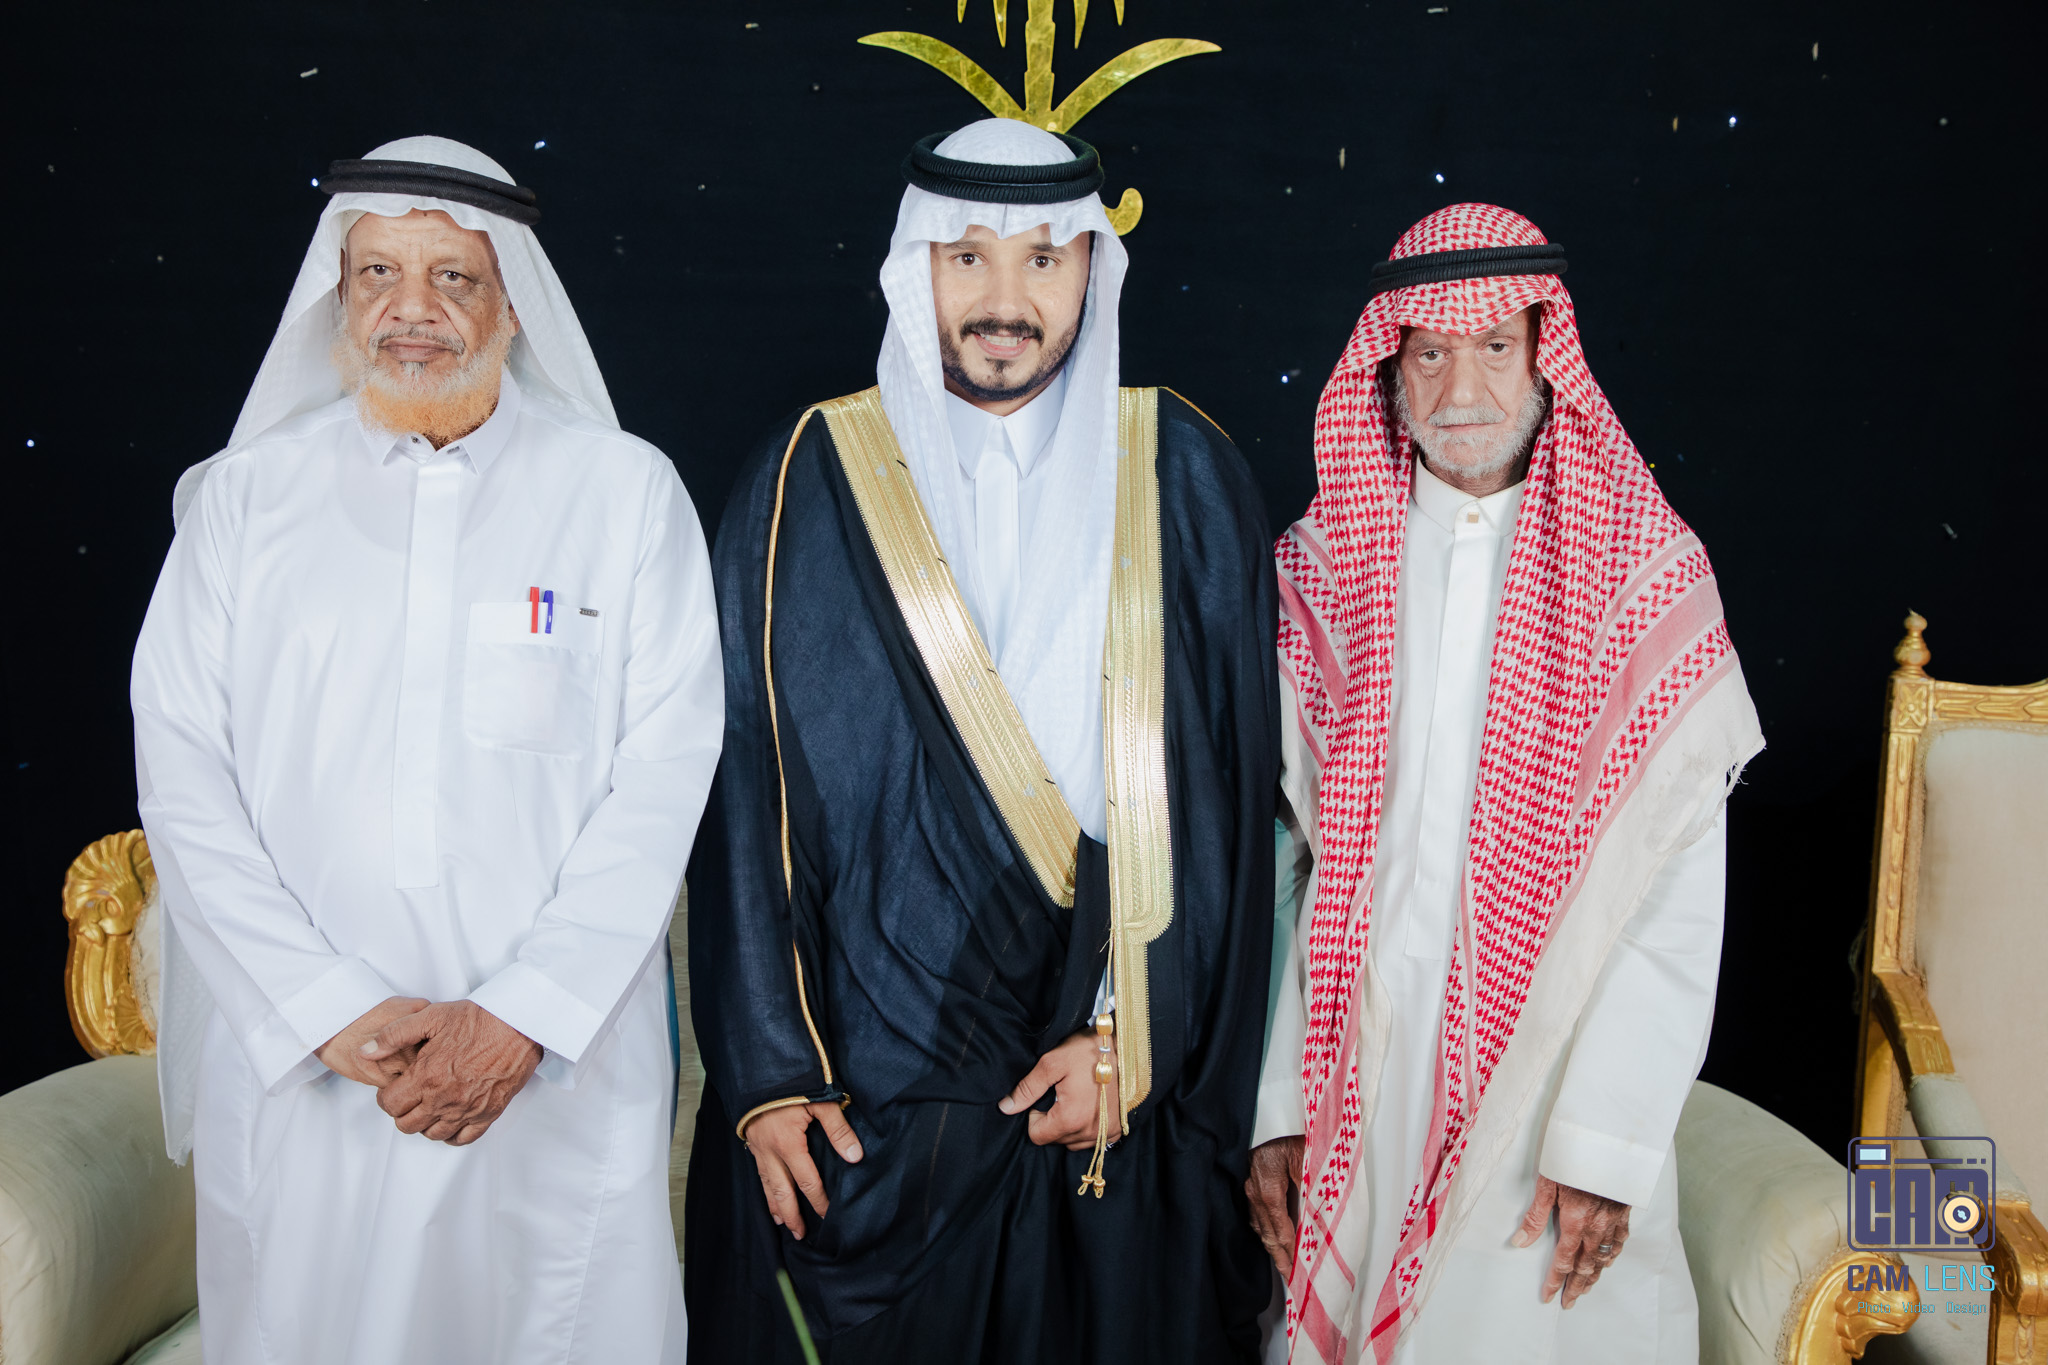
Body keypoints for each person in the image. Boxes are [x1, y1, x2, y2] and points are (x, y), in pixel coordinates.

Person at [684, 118, 1278, 1363]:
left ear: (1091, 269)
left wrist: (1132, 1038)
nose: (1005, 302)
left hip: (1113, 1084)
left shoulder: (1181, 472)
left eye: (1043, 261)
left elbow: (1226, 805)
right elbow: (739, 799)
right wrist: (772, 1073)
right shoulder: (806, 476)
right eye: (967, 259)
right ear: (916, 267)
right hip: (868, 1104)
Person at [129, 136, 722, 1365]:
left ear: (513, 302)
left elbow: (665, 775)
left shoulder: (623, 496)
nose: (413, 310)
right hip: (307, 1068)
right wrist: (322, 1007)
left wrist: (519, 1018)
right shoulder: (243, 502)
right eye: (378, 275)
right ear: (337, 299)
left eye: (453, 277)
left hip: (547, 1075)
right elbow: (183, 776)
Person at [1247, 203, 1762, 1364]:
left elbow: (1669, 890)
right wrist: (1275, 1104)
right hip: (1353, 1076)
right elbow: (1275, 869)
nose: (1461, 388)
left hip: (1550, 1086)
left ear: (1544, 355)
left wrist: (1603, 1142)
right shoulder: (1316, 575)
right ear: (1389, 370)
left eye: (1492, 347)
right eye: (1429, 353)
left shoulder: (1642, 577)